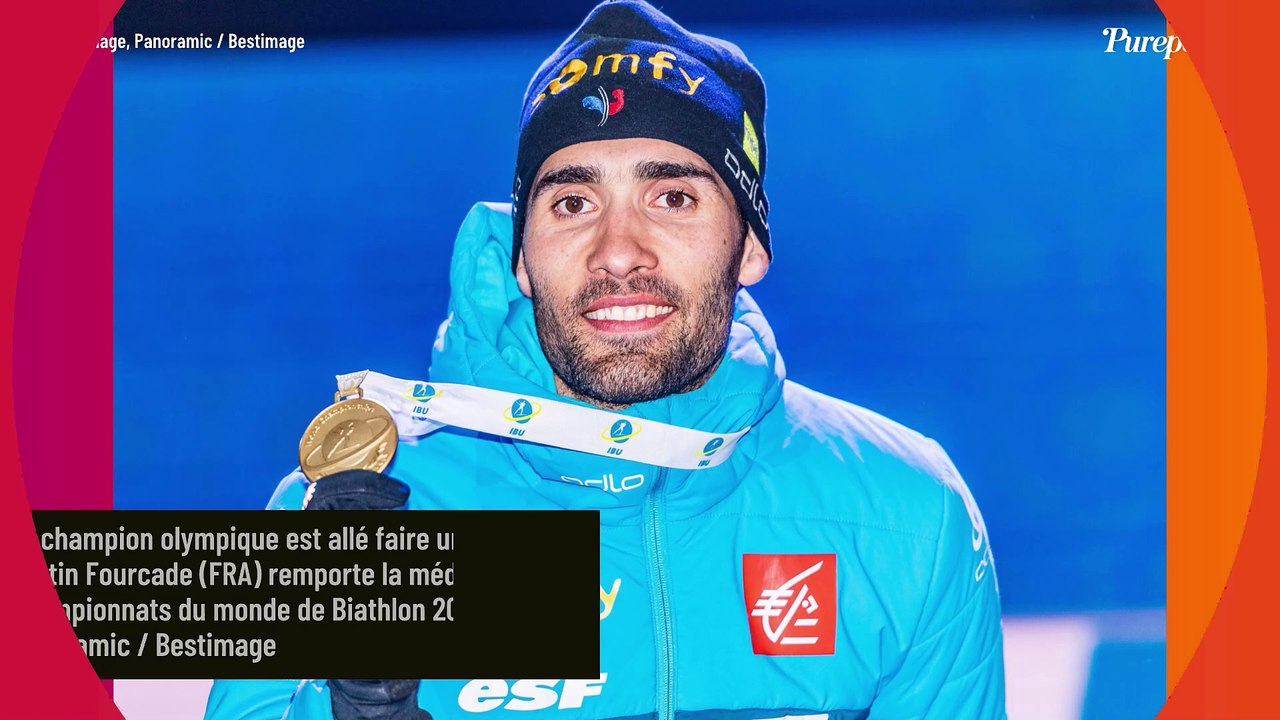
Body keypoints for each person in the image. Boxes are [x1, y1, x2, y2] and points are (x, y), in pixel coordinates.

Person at [205, 1, 1006, 717]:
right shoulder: (371, 518)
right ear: (522, 255)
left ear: (750, 244)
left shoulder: (906, 513)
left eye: (673, 198)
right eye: (573, 202)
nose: (618, 253)